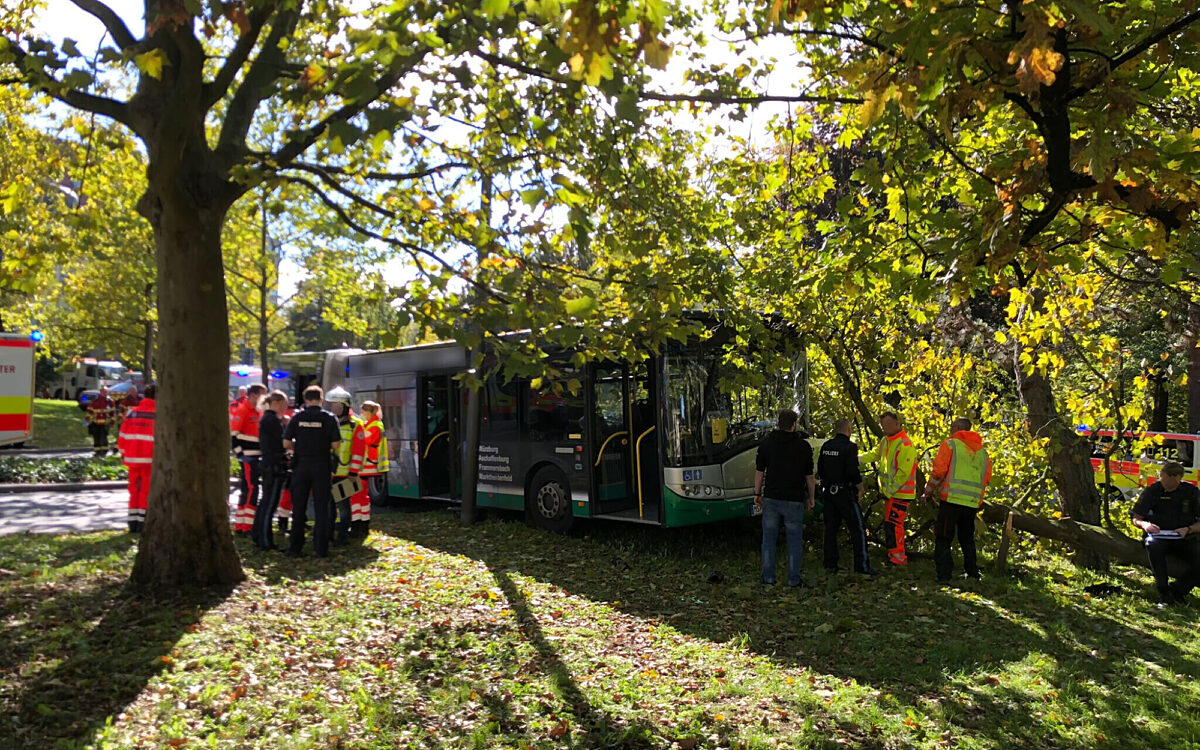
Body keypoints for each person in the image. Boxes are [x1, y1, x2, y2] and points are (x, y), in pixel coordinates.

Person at [923, 417, 992, 583]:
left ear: (957, 428)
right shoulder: (982, 452)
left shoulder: (951, 444)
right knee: (966, 538)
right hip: (971, 503)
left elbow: (939, 472)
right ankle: (972, 573)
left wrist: (928, 491)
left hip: (951, 499)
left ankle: (944, 575)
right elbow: (987, 478)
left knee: (943, 537)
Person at [754, 408, 816, 588]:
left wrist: (757, 494)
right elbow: (809, 476)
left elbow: (759, 472)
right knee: (795, 541)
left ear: (778, 424)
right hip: (794, 499)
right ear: (794, 424)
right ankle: (793, 580)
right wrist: (811, 497)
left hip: (772, 498)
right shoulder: (803, 446)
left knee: (768, 539)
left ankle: (768, 578)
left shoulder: (767, 444)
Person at [283, 385, 341, 558]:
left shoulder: (297, 417)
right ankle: (321, 549)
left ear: (305, 399)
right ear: (321, 398)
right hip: (322, 465)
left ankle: (295, 547)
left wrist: (299, 446)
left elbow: (286, 443)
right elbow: (336, 444)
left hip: (301, 465)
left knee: (299, 507)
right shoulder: (329, 418)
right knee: (321, 507)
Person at [1130, 462, 1200, 606]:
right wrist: (1145, 525)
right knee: (1153, 546)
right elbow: (1136, 518)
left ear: (1180, 478)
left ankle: (1178, 590)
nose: (1168, 486)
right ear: (1161, 476)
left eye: (1173, 483)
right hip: (1158, 537)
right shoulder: (1152, 491)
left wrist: (1188, 529)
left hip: (1184, 536)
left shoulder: (1191, 492)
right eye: (1166, 481)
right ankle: (1164, 592)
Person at [818, 418, 876, 575]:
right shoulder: (850, 447)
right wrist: (860, 488)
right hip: (845, 494)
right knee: (857, 529)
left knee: (830, 529)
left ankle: (830, 564)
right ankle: (862, 567)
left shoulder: (826, 446)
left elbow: (820, 470)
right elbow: (852, 471)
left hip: (829, 493)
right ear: (849, 430)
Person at [864, 411, 918, 567]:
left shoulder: (905, 444)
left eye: (886, 425)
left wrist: (888, 491)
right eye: (882, 425)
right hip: (891, 493)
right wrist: (854, 457)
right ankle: (894, 555)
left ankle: (898, 558)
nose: (884, 428)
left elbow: (903, 473)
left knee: (894, 526)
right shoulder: (886, 440)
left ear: (897, 424)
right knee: (891, 525)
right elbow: (874, 455)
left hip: (899, 494)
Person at [325, 386, 364, 546]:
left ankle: (342, 537)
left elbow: (358, 451)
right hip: (328, 473)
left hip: (346, 473)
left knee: (344, 508)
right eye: (333, 405)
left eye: (337, 406)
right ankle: (330, 535)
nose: (334, 408)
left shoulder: (356, 425)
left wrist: (353, 473)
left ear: (345, 406)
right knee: (330, 508)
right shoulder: (327, 421)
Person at [251, 390, 289, 550]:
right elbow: (282, 442)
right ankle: (265, 541)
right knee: (270, 503)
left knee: (265, 502)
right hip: (273, 464)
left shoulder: (267, 419)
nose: (286, 407)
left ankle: (257, 535)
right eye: (285, 404)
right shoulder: (272, 420)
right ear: (278, 403)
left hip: (268, 463)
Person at [116, 383, 156, 533]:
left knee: (134, 490)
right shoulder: (158, 414)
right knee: (145, 491)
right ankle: (142, 524)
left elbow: (123, 436)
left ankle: (132, 523)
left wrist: (123, 453)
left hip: (132, 458)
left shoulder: (132, 413)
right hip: (149, 459)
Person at [230, 383, 267, 536]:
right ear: (253, 395)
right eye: (262, 395)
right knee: (252, 489)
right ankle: (247, 527)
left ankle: (241, 525)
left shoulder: (257, 411)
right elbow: (233, 436)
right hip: (248, 458)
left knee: (248, 489)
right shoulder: (243, 410)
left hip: (255, 456)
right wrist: (241, 456)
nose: (265, 398)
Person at [353, 400, 390, 538]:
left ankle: (359, 524)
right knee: (358, 496)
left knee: (358, 496)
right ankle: (359, 524)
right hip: (365, 467)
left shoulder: (375, 426)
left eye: (363, 411)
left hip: (366, 466)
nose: (361, 414)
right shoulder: (371, 424)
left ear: (369, 412)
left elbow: (363, 441)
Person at [85, 387, 116, 459]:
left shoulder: (110, 401)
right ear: (100, 392)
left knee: (104, 437)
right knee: (96, 437)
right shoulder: (95, 401)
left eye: (106, 392)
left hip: (105, 423)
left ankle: (104, 451)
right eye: (103, 392)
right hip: (95, 422)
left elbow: (112, 412)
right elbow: (89, 411)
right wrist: (87, 419)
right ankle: (97, 451)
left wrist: (112, 420)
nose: (105, 393)